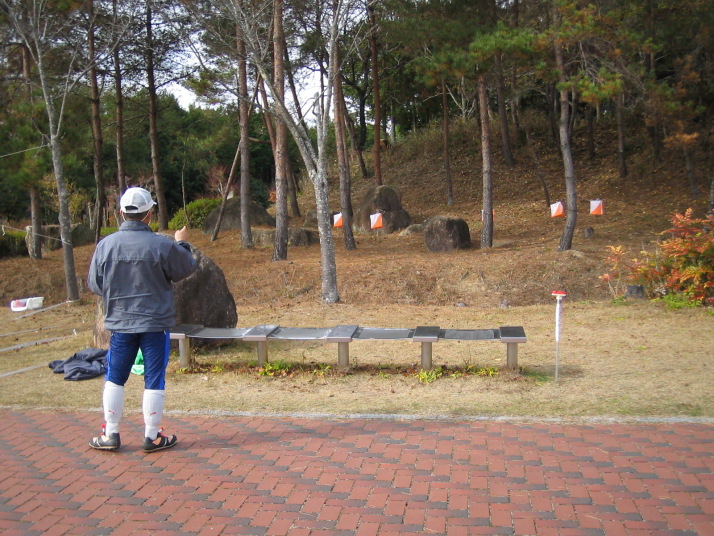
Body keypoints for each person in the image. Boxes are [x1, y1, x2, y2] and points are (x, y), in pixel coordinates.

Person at [87, 187, 197, 453]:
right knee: (154, 378)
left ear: (121, 213)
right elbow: (186, 268)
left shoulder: (105, 245)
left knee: (115, 377)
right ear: (150, 214)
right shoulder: (162, 245)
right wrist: (182, 242)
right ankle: (152, 435)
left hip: (121, 323)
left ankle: (110, 433)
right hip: (155, 323)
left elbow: (95, 284)